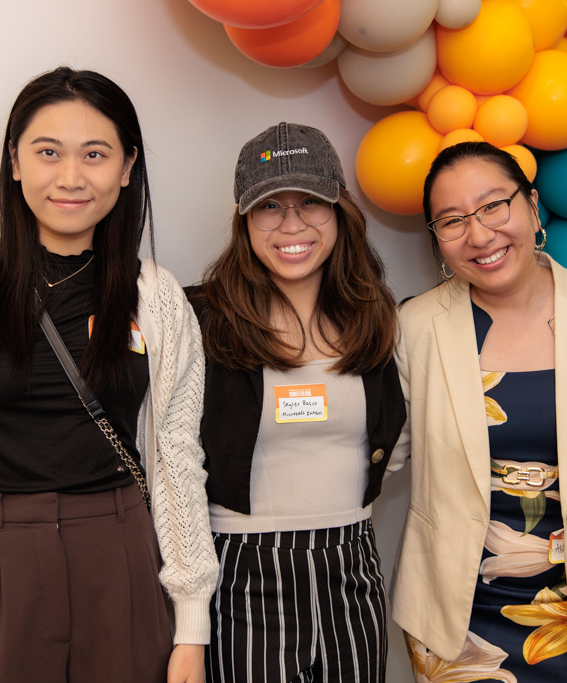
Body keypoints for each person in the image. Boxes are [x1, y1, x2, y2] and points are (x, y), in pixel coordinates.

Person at [0, 66, 217, 683]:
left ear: (128, 167)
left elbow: (178, 460)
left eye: (96, 154)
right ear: (15, 162)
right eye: (48, 152)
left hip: (119, 556)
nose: (71, 177)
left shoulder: (157, 301)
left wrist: (191, 621)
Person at [390, 141, 567, 683]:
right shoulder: (416, 326)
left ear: (532, 206)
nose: (479, 235)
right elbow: (379, 454)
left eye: (493, 206)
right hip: (458, 622)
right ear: (436, 240)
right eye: (452, 221)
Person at [185, 122, 405, 683]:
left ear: (340, 211)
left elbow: (394, 441)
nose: (292, 225)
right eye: (269, 207)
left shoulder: (376, 317)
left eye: (311, 202)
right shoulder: (199, 318)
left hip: (352, 562)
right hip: (241, 569)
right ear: (243, 218)